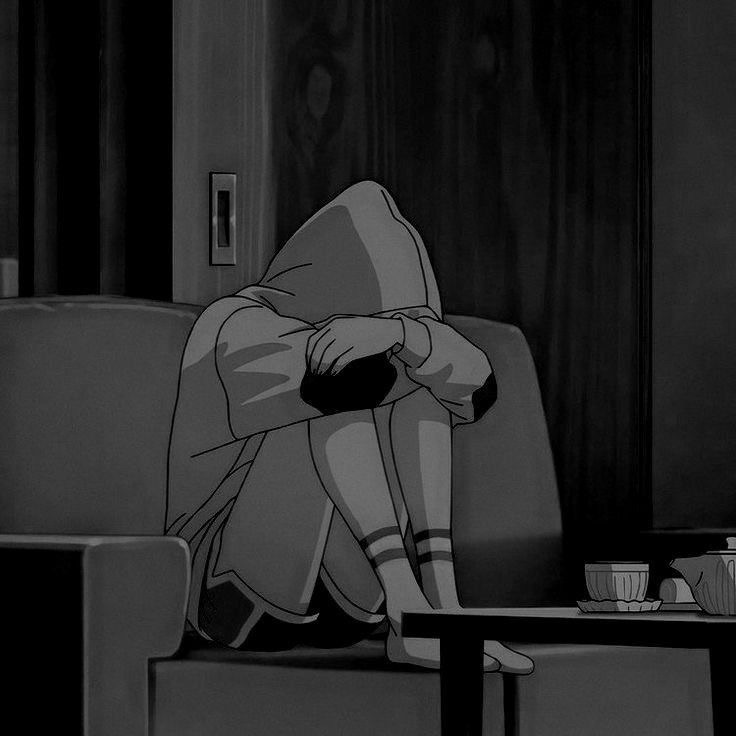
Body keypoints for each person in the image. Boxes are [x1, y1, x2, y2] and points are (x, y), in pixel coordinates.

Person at [166, 180, 533, 673]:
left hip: (352, 606)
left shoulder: (382, 336)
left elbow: (476, 387)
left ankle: (442, 607)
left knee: (418, 380)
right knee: (341, 381)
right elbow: (342, 383)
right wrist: (396, 341)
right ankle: (408, 604)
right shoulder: (232, 324)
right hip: (232, 601)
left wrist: (404, 333)